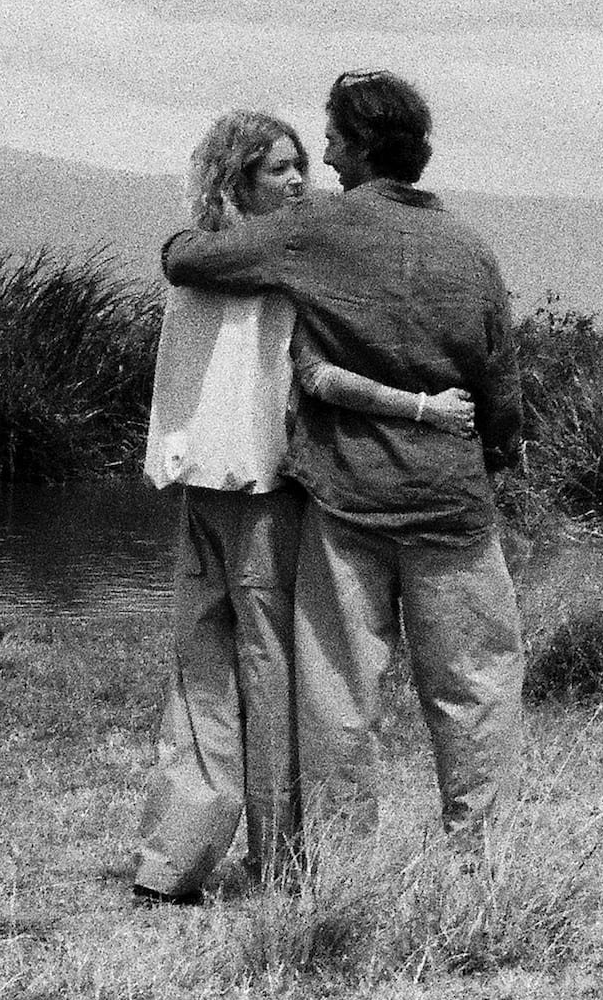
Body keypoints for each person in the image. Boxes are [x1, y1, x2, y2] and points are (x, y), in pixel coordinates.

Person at [160, 71, 526, 848]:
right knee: (475, 686)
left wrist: (186, 236)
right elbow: (500, 383)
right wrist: (490, 452)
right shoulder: (469, 246)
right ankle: (481, 857)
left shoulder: (316, 229)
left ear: (359, 146)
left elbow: (190, 261)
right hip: (452, 500)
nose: (322, 159)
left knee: (337, 694)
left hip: (349, 501)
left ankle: (339, 864)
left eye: (330, 140)